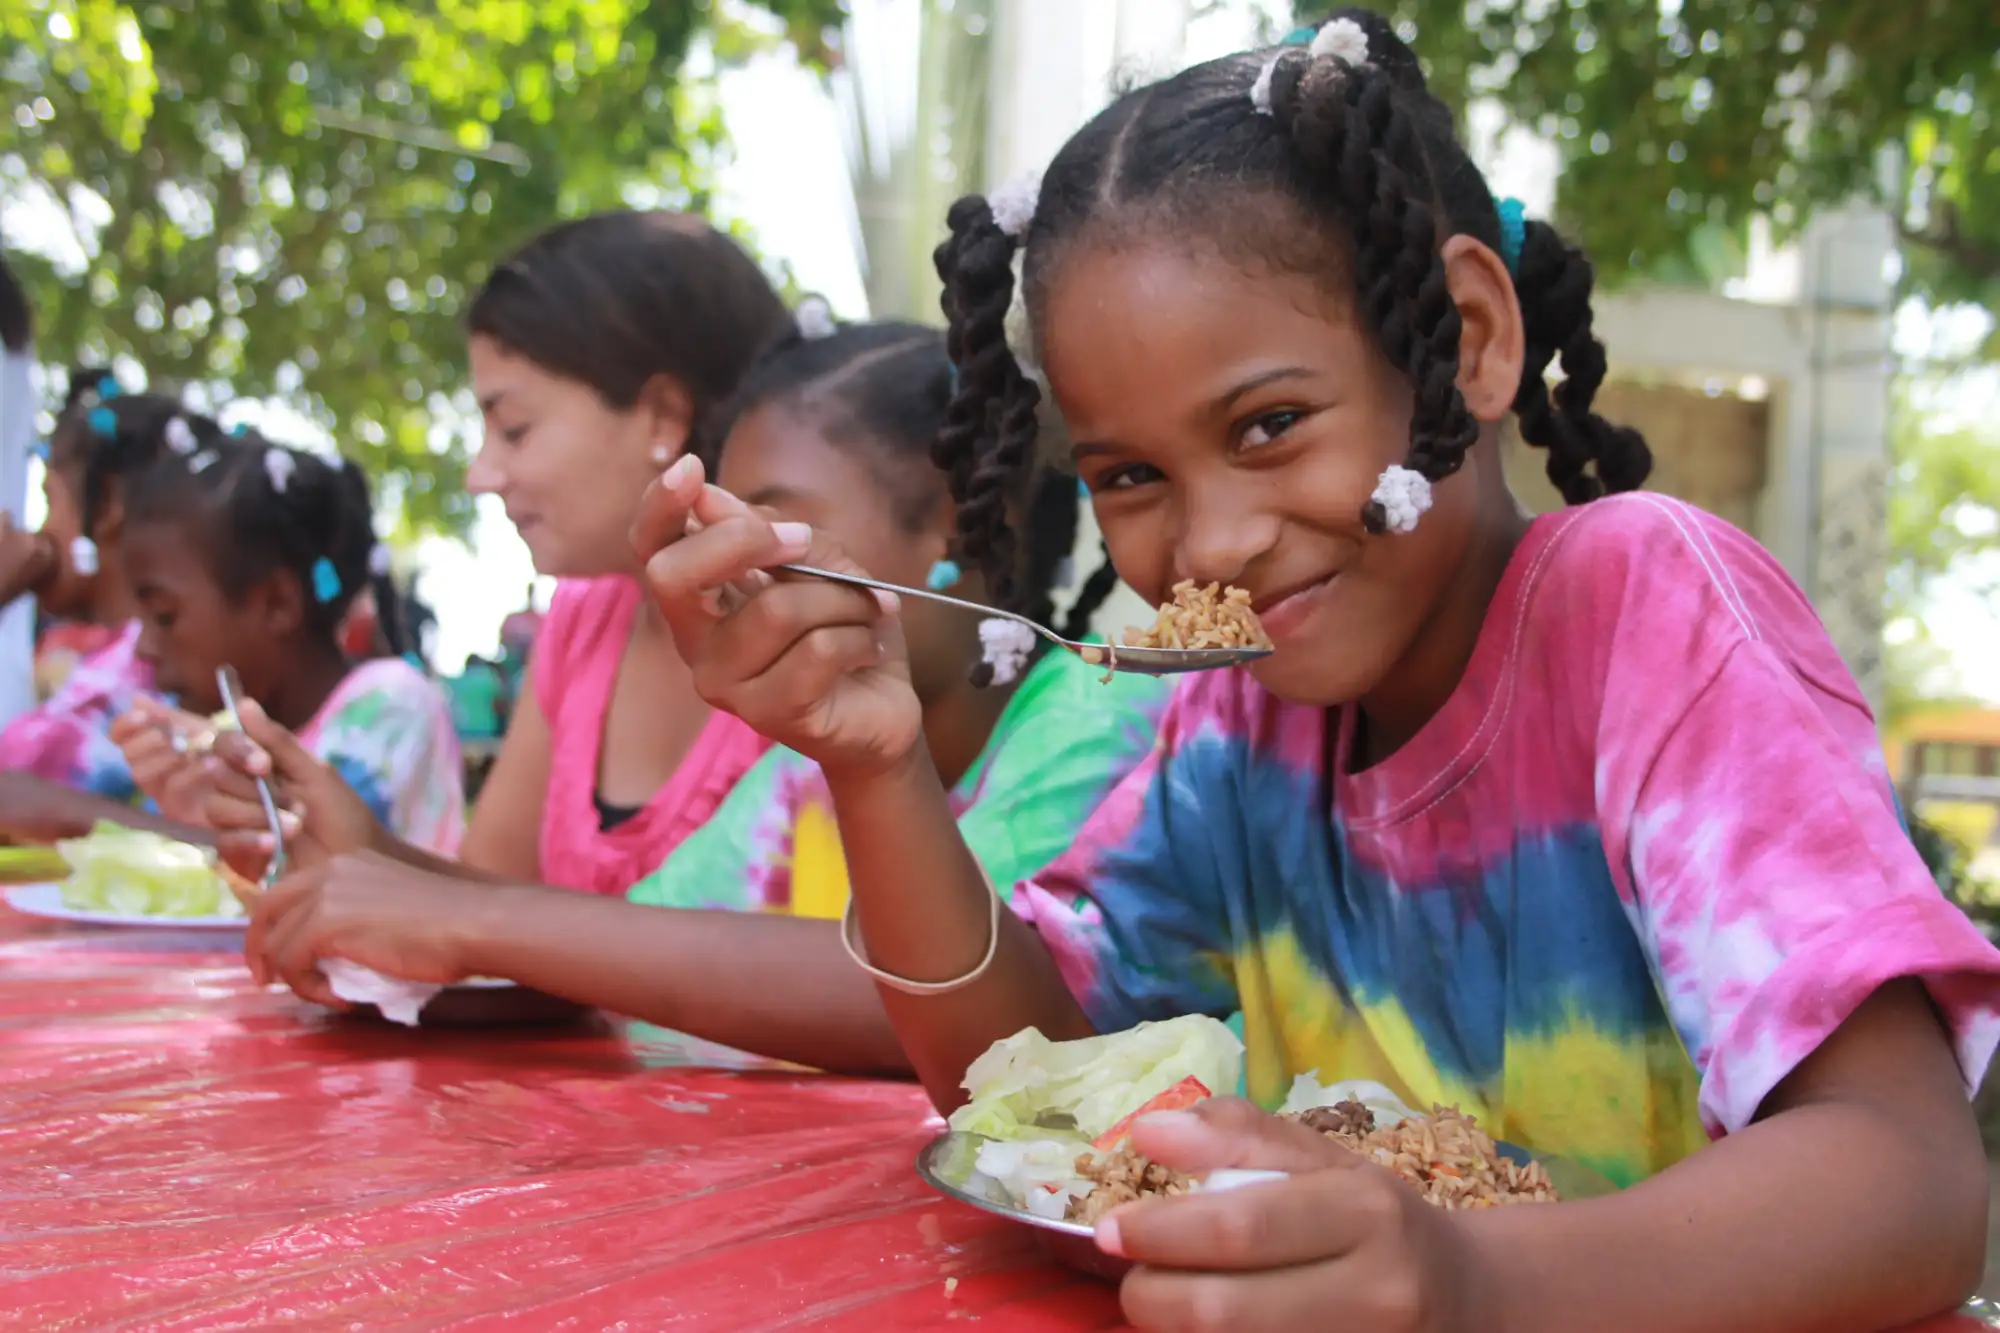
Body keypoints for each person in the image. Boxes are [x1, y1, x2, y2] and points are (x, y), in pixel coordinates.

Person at [628, 12, 1998, 1333]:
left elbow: (1915, 1181)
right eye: (1130, 476)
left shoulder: (1645, 611)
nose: (1212, 539)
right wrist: (877, 763)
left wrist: (1473, 1282)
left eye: (1271, 425)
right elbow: (1018, 1068)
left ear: (1463, 340)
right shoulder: (1237, 724)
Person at [207, 320, 1163, 1075]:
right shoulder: (808, 767)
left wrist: (456, 918)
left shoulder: (1098, 713)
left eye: (772, 523)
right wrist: (380, 861)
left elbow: (909, 1001)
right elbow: (646, 944)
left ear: (957, 527)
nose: (723, 574)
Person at [118, 213, 796, 894]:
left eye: (514, 428)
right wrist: (330, 832)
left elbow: (826, 976)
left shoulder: (803, 637)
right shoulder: (586, 620)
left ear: (661, 417)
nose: (481, 475)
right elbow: (491, 904)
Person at [110, 435, 462, 854]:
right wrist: (181, 801)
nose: (143, 647)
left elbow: (311, 856)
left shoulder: (392, 703)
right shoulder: (221, 738)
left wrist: (197, 818)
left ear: (277, 603)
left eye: (165, 616)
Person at [0, 374, 207, 839]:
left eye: (52, 502)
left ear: (107, 504)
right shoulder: (108, 659)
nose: (38, 528)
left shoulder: (130, 673)